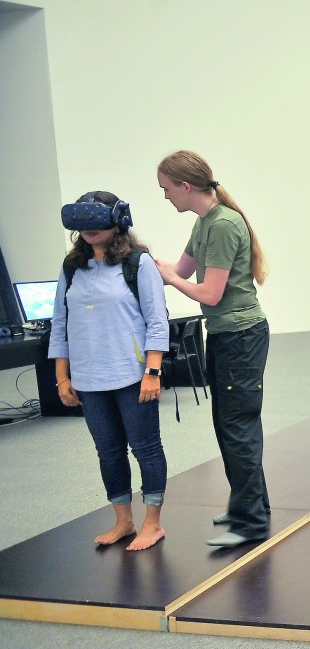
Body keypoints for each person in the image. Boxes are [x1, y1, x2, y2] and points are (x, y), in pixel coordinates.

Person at [155, 151, 271, 548]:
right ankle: (249, 505)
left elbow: (209, 292)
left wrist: (171, 278)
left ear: (186, 187)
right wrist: (148, 264)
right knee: (229, 425)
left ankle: (251, 520)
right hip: (224, 335)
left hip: (241, 335)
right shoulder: (205, 222)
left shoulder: (223, 224)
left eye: (167, 190)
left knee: (238, 428)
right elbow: (182, 270)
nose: (166, 197)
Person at [49, 191, 170, 551]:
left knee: (145, 448)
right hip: (88, 378)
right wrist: (62, 377)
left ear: (116, 220)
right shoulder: (72, 267)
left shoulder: (138, 263)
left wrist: (153, 371)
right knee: (108, 451)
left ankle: (152, 522)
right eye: (81, 223)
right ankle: (124, 520)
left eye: (96, 221)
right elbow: (60, 322)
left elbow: (157, 321)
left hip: (132, 375)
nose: (88, 230)